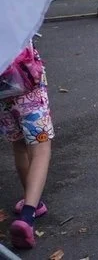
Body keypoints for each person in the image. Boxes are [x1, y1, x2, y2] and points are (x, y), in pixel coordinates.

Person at [1, 41, 53, 250]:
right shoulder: (16, 23)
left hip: (3, 94)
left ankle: (33, 202)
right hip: (28, 88)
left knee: (20, 144)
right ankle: (28, 215)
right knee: (40, 149)